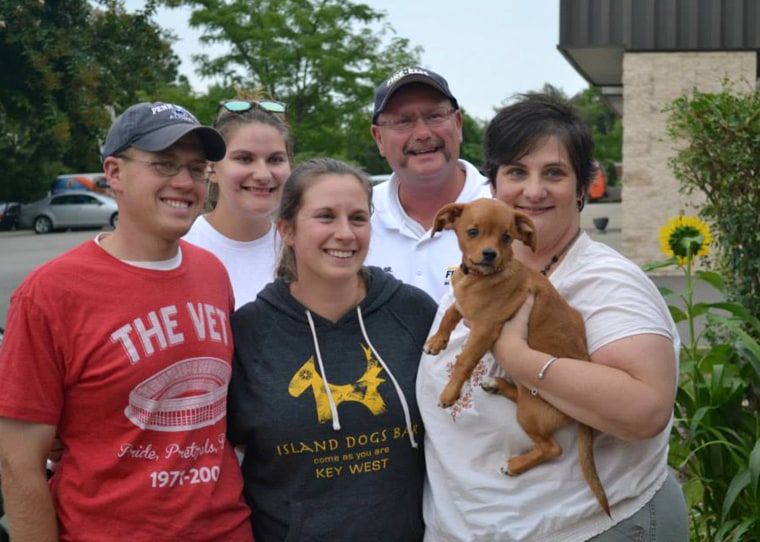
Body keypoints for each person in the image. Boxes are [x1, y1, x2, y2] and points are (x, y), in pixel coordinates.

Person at [417, 90, 689, 541]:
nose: (534, 190)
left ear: (583, 188)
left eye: (555, 173)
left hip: (583, 528)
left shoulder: (605, 282)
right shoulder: (484, 270)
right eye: (517, 172)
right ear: (494, 184)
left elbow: (645, 412)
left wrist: (519, 358)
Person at [0, 102, 254, 541]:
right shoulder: (51, 294)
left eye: (196, 169)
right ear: (114, 173)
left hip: (226, 528)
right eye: (164, 164)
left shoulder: (213, 274)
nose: (184, 182)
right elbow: (18, 462)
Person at [227, 157, 437, 541]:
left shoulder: (414, 312)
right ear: (287, 230)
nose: (345, 233)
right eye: (326, 216)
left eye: (358, 218)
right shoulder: (249, 332)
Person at [366, 67, 492, 302]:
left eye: (434, 116)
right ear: (379, 138)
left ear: (458, 124)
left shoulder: (504, 207)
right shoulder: (356, 217)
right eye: (403, 121)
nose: (422, 133)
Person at [183, 98, 292, 308]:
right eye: (244, 158)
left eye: (275, 159)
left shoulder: (303, 251)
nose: (263, 174)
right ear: (211, 168)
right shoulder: (180, 247)